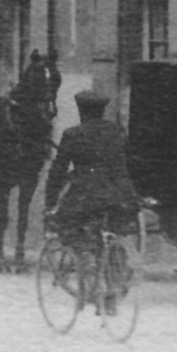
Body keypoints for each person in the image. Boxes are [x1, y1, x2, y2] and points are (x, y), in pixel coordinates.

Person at [44, 89, 139, 251]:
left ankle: (82, 257)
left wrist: (50, 202)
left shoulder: (72, 134)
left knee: (67, 225)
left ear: (81, 111)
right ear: (102, 111)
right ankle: (115, 259)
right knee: (116, 226)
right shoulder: (116, 132)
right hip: (114, 196)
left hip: (82, 197)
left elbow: (58, 171)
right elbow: (127, 165)